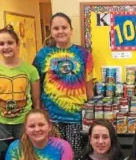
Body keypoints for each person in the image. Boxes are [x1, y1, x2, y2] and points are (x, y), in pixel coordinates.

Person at [33, 12, 94, 152]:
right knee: (54, 155)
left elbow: (89, 87)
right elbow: (36, 85)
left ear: (71, 30)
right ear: (51, 31)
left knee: (74, 156)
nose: (60, 31)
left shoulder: (84, 54)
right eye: (56, 28)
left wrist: (92, 114)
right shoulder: (43, 54)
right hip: (51, 117)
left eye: (64, 27)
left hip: (76, 117)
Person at [0, 25, 40, 140]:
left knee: (24, 152)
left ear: (17, 44)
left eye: (10, 43)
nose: (6, 47)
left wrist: (36, 119)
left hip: (24, 120)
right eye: (1, 44)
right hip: (0, 121)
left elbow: (36, 100)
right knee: (4, 153)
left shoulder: (31, 70)